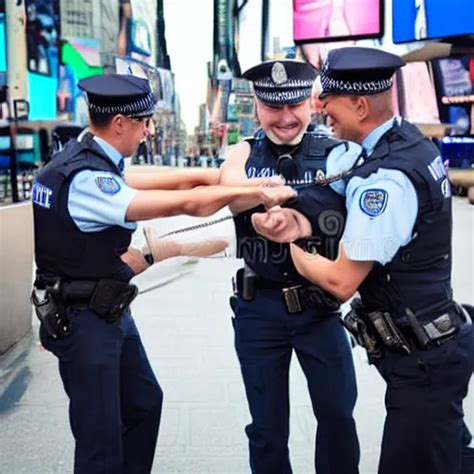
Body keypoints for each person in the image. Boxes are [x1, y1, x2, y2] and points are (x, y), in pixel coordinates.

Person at [30, 73, 296, 474]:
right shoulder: (87, 180)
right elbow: (187, 204)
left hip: (106, 311)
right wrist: (257, 193)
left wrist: (227, 174)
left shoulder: (82, 159)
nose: (149, 130)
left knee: (143, 403)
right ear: (120, 123)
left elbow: (183, 181)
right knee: (99, 439)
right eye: (144, 122)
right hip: (84, 324)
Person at [283, 47, 474, 474]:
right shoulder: (402, 143)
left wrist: (294, 250)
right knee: (452, 458)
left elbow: (340, 281)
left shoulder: (386, 180)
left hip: (423, 367)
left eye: (327, 100)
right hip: (432, 354)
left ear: (361, 105)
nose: (321, 109)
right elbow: (335, 191)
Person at [219, 60, 361, 474]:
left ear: (312, 103)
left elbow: (353, 216)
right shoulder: (243, 151)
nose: (284, 118)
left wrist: (298, 210)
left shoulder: (338, 153)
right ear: (257, 107)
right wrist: (267, 197)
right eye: (273, 107)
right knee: (266, 429)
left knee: (337, 417)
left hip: (319, 309)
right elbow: (229, 194)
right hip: (258, 311)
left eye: (294, 105)